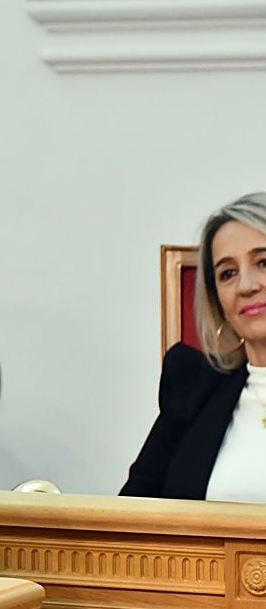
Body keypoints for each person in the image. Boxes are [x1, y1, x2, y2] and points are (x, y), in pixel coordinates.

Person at [121, 192, 266, 502]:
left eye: (264, 262)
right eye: (228, 274)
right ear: (217, 301)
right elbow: (132, 518)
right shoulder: (193, 387)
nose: (247, 286)